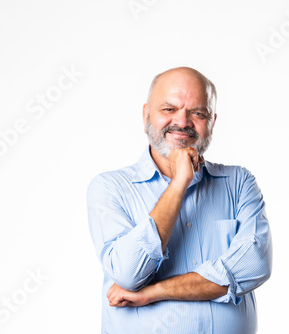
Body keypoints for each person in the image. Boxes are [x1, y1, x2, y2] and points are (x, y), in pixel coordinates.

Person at [87, 67, 272, 334]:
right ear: (146, 115)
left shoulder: (239, 182)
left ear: (212, 122)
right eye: (169, 109)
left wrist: (155, 291)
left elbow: (255, 265)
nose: (183, 122)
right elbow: (128, 273)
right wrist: (179, 183)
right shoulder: (110, 188)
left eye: (198, 113)